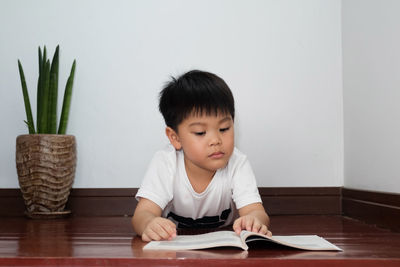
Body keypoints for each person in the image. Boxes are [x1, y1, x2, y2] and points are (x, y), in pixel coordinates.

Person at [132, 70, 271, 242]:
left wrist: (254, 221)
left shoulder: (237, 162)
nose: (215, 140)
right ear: (175, 138)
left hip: (224, 243)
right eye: (200, 132)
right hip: (176, 245)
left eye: (224, 129)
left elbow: (256, 211)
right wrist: (149, 223)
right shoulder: (166, 162)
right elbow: (142, 214)